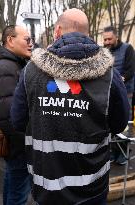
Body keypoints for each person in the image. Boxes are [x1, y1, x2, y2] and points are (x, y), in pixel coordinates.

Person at [11, 9, 129, 205]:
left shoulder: (30, 72)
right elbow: (119, 125)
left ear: (57, 31)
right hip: (91, 188)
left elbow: (17, 121)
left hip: (45, 185)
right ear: (89, 35)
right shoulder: (110, 76)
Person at [0, 25, 32, 205]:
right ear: (10, 40)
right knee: (18, 195)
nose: (31, 44)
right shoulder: (7, 67)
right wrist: (25, 144)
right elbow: (8, 114)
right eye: (27, 39)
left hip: (15, 145)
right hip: (18, 145)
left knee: (12, 186)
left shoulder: (14, 64)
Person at [103, 26, 135, 165]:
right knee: (110, 122)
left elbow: (130, 70)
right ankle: (113, 151)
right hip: (109, 93)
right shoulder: (105, 51)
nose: (107, 41)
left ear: (116, 37)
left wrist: (117, 81)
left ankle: (123, 153)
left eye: (109, 38)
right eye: (105, 39)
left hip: (125, 92)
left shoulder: (128, 49)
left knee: (123, 122)